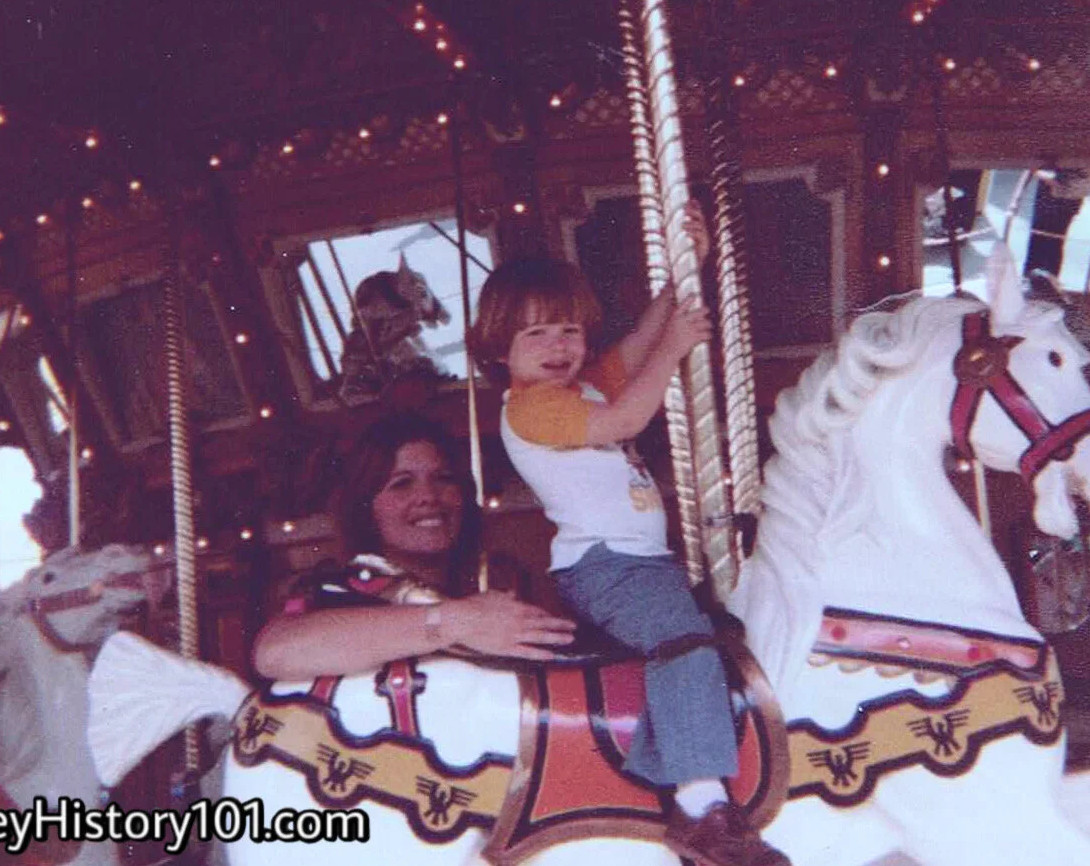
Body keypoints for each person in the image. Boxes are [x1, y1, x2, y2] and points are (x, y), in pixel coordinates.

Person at [468, 204, 789, 866]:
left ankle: (658, 760)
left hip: (641, 560)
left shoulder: (578, 384)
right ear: (501, 350)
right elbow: (623, 418)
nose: (558, 345)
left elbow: (638, 345)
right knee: (686, 644)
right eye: (536, 335)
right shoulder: (532, 406)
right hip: (608, 565)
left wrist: (683, 278)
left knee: (719, 640)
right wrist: (675, 350)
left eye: (568, 330)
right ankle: (703, 809)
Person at [252, 412, 575, 680]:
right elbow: (275, 652)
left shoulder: (502, 579)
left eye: (444, 478)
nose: (429, 497)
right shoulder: (340, 590)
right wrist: (454, 622)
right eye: (401, 484)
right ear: (366, 505)